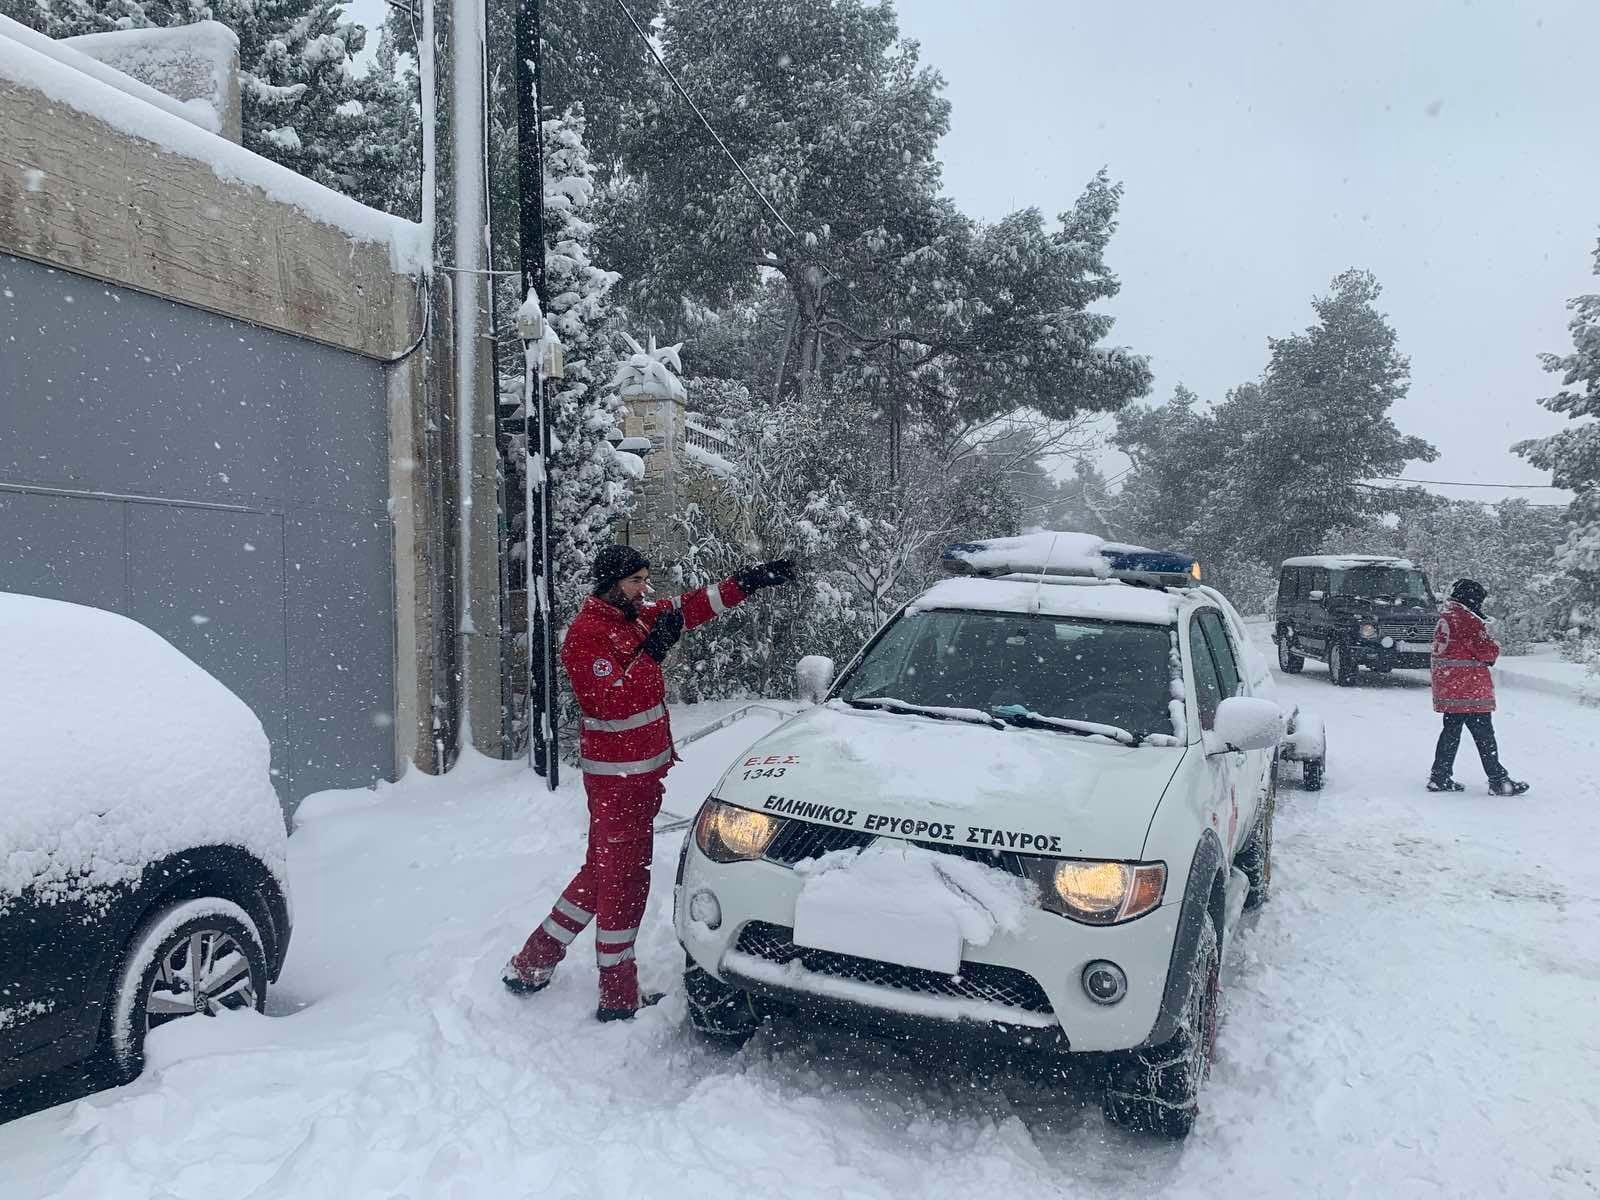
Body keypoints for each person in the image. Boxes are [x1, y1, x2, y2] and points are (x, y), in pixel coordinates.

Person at [503, 544, 798, 1020]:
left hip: (640, 776)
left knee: (600, 873)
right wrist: (652, 654)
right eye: (637, 581)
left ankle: (533, 962)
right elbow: (612, 700)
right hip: (617, 781)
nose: (646, 590)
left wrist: (747, 582)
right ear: (612, 583)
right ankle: (616, 996)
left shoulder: (634, 616)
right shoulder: (587, 635)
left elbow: (689, 608)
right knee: (624, 883)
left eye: (646, 580)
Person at [1427, 578, 1529, 796]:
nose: (1480, 606)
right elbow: (1487, 651)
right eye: (1479, 601)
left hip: (1450, 685)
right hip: (1468, 687)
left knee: (1451, 731)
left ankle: (1440, 776)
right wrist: (1493, 646)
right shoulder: (1465, 620)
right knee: (1484, 734)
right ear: (1470, 598)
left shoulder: (1447, 616)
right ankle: (1499, 781)